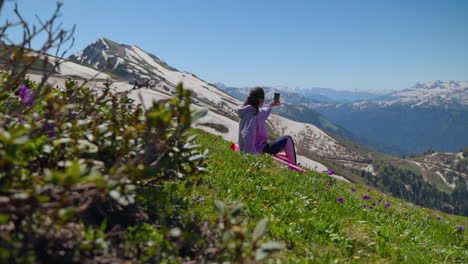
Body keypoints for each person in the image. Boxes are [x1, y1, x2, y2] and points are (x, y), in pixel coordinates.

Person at [237, 87, 297, 164]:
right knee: (288, 139)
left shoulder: (249, 111)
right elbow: (247, 136)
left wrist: (270, 105)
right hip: (258, 152)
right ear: (260, 100)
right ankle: (293, 166)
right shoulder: (251, 117)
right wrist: (253, 157)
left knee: (279, 141)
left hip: (258, 148)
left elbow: (263, 112)